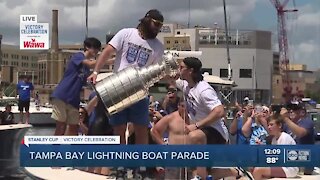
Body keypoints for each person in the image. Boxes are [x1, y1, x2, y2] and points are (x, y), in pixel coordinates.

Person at [87, 9, 164, 147]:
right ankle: (120, 163)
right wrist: (96, 72)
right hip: (118, 87)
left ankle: (140, 165)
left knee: (141, 129)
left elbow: (155, 70)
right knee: (119, 128)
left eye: (160, 26)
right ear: (147, 20)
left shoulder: (158, 46)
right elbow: (107, 52)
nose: (158, 28)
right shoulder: (126, 33)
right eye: (156, 24)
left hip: (140, 91)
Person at [171, 57, 253, 180]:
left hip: (215, 132)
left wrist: (197, 125)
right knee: (197, 170)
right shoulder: (185, 85)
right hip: (202, 133)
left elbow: (219, 111)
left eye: (182, 67)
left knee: (194, 136)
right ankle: (234, 172)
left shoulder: (204, 90)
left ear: (190, 71)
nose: (179, 70)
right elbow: (167, 78)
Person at [51, 37, 101, 136]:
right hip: (62, 95)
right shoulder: (78, 56)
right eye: (94, 48)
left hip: (74, 99)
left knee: (74, 127)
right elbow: (90, 63)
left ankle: (72, 149)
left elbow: (83, 81)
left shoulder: (86, 69)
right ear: (87, 47)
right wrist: (107, 60)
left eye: (98, 49)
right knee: (61, 126)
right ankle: (55, 149)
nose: (96, 51)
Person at [252, 115, 298, 179]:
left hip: (289, 169)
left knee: (258, 170)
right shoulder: (274, 140)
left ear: (279, 125)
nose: (269, 127)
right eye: (268, 125)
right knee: (252, 167)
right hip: (281, 166)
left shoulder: (285, 138)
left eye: (271, 125)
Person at [280, 102, 315, 175]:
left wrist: (286, 118)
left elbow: (300, 133)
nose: (291, 111)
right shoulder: (286, 125)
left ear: (301, 112)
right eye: (289, 109)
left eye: (294, 109)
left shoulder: (307, 122)